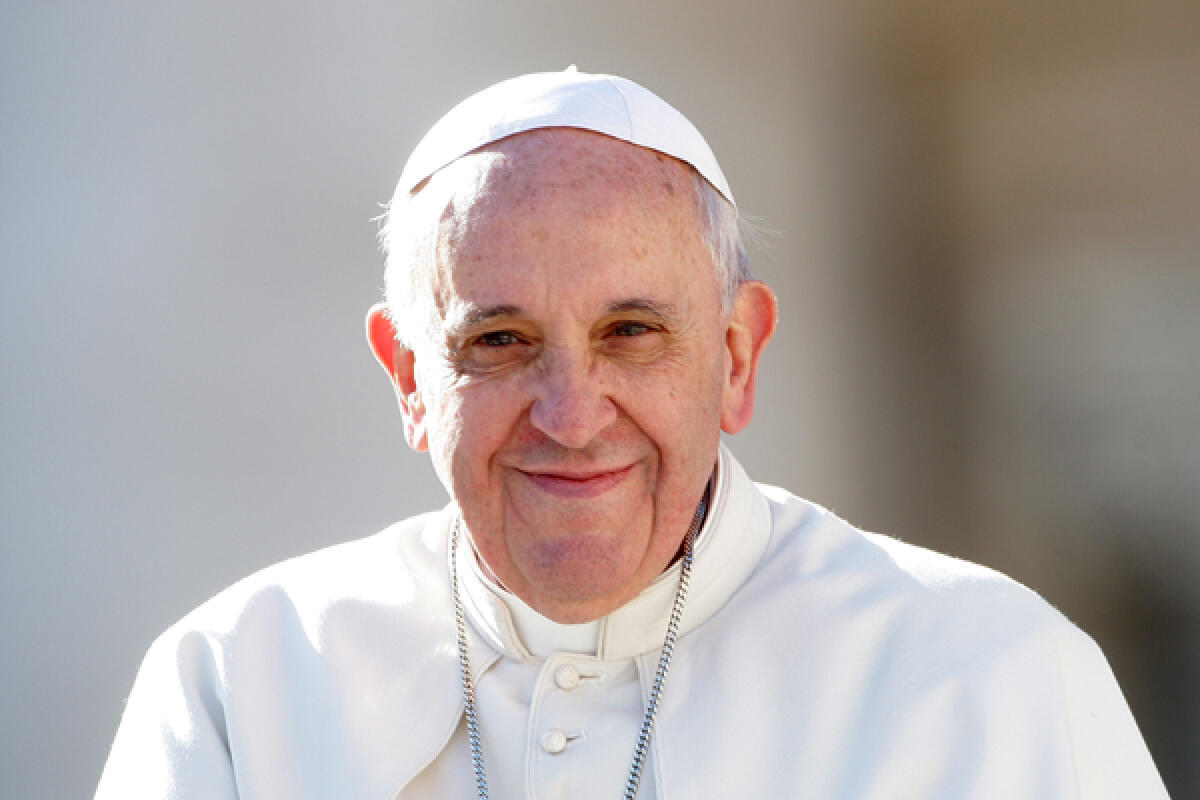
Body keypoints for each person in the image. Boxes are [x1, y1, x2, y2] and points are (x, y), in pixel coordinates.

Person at [96, 69, 1169, 799]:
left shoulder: (989, 675)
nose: (570, 415)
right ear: (409, 375)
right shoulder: (241, 683)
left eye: (633, 332)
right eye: (502, 339)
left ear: (737, 357)